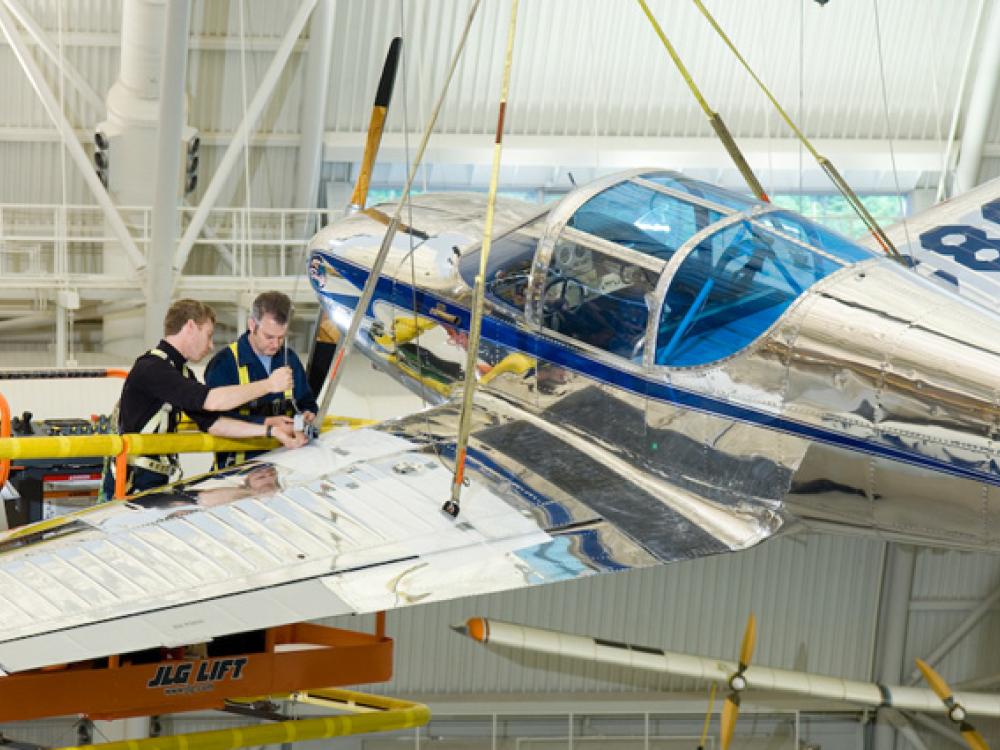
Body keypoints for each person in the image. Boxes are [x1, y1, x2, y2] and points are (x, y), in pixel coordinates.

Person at [102, 299, 307, 499]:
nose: (210, 346)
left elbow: (214, 424)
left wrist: (270, 429)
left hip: (156, 483)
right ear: (190, 326)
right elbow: (211, 401)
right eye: (208, 335)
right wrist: (269, 385)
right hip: (130, 487)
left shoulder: (180, 373)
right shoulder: (152, 368)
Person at [205, 291, 319, 470]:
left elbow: (306, 402)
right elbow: (215, 421)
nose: (276, 344)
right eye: (269, 337)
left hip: (282, 466)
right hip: (236, 470)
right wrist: (266, 422)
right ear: (252, 325)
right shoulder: (224, 364)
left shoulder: (290, 360)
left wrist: (307, 414)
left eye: (282, 337)